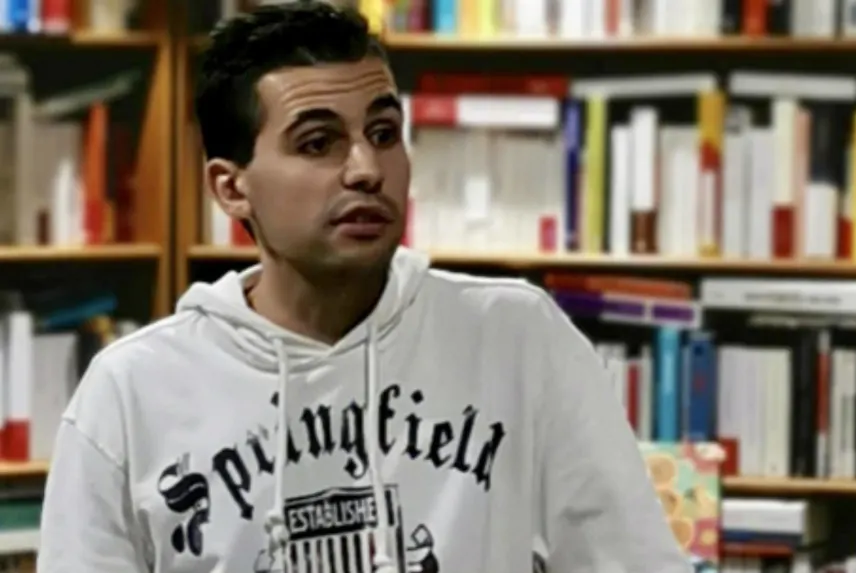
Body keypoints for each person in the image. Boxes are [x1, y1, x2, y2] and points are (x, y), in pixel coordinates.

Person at [36, 3, 689, 572]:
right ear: (231, 188)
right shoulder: (131, 392)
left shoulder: (518, 339)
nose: (366, 169)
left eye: (383, 133)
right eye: (318, 142)